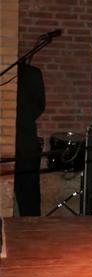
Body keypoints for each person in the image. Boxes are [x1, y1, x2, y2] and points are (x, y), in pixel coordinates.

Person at [14, 60, 45, 216]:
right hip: (20, 137)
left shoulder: (31, 73)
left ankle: (31, 224)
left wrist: (22, 117)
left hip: (24, 139)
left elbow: (39, 105)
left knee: (28, 190)